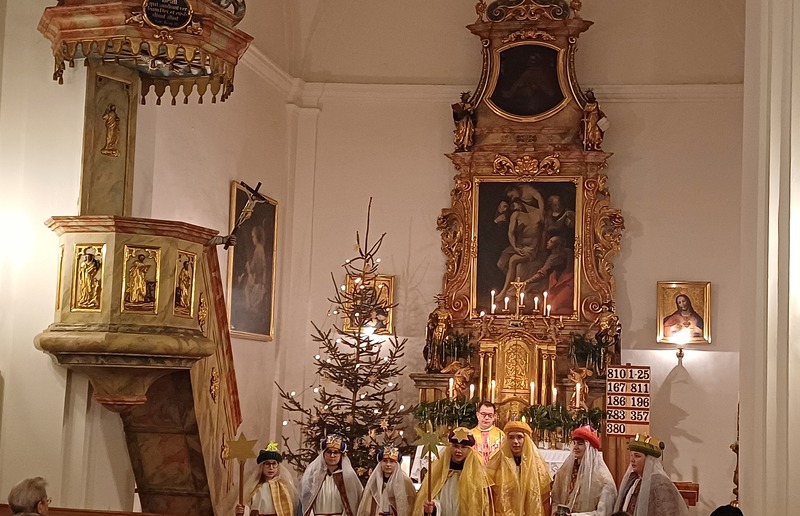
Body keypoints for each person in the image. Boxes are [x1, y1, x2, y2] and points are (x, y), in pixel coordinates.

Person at [412, 427, 491, 516]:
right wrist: (433, 508)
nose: (458, 451)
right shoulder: (441, 473)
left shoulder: (475, 476)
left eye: (463, 447)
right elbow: (435, 497)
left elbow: (478, 505)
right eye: (455, 446)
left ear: (469, 450)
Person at [488, 420, 552, 516]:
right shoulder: (496, 461)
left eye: (519, 437)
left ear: (526, 439)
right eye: (511, 437)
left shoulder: (537, 464)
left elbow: (545, 498)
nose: (515, 442)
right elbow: (490, 496)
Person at [613, 434, 688, 516]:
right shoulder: (633, 480)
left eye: (637, 456)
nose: (632, 460)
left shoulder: (661, 484)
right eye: (631, 455)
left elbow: (666, 512)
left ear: (649, 460)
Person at [550, 425, 616, 516]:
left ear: (589, 448)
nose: (575, 447)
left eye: (580, 444)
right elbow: (555, 499)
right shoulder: (564, 472)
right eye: (574, 443)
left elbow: (603, 513)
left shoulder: (603, 479)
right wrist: (555, 511)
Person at [300, 435, 363, 516]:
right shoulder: (313, 475)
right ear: (323, 454)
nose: (332, 456)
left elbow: (353, 503)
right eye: (329, 452)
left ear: (341, 455)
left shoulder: (348, 477)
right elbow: (306, 501)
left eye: (336, 452)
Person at [238, 442, 298, 516]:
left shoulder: (284, 487)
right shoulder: (254, 488)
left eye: (274, 463)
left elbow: (289, 509)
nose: (271, 467)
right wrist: (242, 511)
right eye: (267, 464)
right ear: (261, 466)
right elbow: (247, 507)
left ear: (278, 466)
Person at [357, 446, 416, 516]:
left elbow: (410, 504)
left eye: (392, 461)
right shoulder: (374, 481)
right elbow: (367, 505)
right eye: (385, 461)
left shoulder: (405, 481)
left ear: (397, 464)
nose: (388, 464)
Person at [521, 236, 573, 315]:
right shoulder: (552, 257)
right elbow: (542, 272)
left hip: (567, 282)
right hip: (555, 283)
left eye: (551, 241)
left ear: (557, 245)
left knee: (554, 307)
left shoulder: (567, 253)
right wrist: (526, 282)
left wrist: (526, 282)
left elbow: (541, 274)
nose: (548, 242)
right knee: (546, 307)